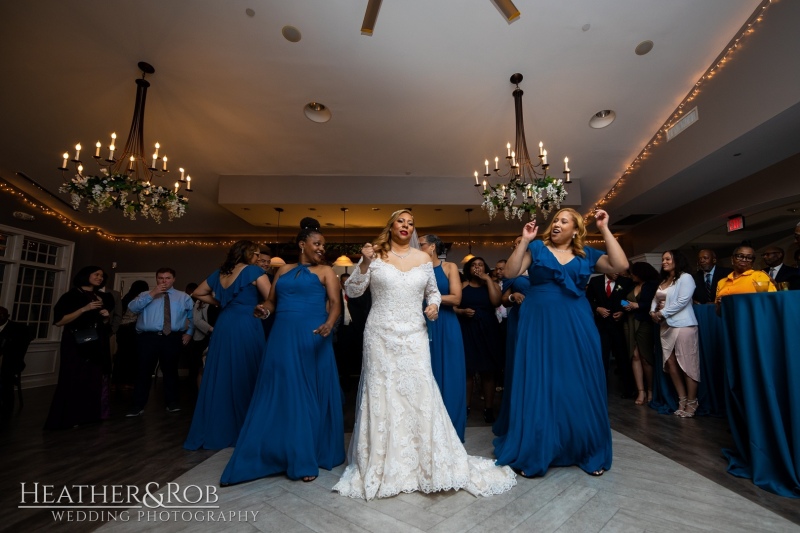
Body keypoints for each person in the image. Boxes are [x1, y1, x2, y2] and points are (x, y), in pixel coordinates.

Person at [333, 209, 516, 500]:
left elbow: (432, 292)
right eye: (401, 221)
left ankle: (423, 460)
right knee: (383, 392)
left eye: (411, 223)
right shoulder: (376, 255)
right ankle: (382, 461)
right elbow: (354, 291)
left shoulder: (423, 260)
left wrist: (432, 306)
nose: (406, 226)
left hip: (415, 334)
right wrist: (364, 264)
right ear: (391, 226)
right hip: (380, 333)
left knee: (418, 390)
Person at [493, 208, 628, 478]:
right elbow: (511, 270)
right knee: (540, 382)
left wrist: (604, 228)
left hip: (576, 322)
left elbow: (621, 266)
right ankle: (537, 449)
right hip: (539, 322)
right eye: (555, 220)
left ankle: (585, 449)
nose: (556, 224)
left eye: (563, 221)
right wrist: (524, 239)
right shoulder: (537, 249)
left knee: (578, 382)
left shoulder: (586, 254)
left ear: (575, 230)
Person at [220, 219, 343, 484]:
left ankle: (306, 453)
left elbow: (335, 304)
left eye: (323, 244)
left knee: (308, 392)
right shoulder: (282, 270)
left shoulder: (327, 272)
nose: (322, 248)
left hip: (312, 334)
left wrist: (329, 324)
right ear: (302, 244)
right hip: (282, 336)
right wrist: (263, 310)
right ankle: (277, 452)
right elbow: (272, 302)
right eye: (317, 243)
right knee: (282, 390)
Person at [185, 241, 270, 450]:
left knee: (222, 373)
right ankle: (247, 427)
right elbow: (272, 297)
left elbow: (197, 292)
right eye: (256, 254)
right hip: (247, 322)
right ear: (246, 254)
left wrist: (221, 303)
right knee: (249, 370)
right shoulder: (254, 271)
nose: (259, 258)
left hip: (225, 323)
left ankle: (218, 426)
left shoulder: (221, 272)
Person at [45, 266, 114, 429]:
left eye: (102, 276)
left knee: (94, 377)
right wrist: (85, 309)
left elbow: (98, 322)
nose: (100, 278)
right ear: (85, 276)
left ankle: (90, 415)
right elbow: (59, 320)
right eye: (96, 274)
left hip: (96, 342)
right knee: (74, 377)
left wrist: (105, 317)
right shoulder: (71, 296)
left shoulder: (101, 296)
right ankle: (70, 416)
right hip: (76, 343)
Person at [126, 268, 194, 416]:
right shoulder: (145, 295)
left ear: (174, 279)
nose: (164, 281)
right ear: (156, 279)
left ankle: (172, 403)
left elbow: (192, 316)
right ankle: (137, 406)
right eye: (161, 278)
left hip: (172, 337)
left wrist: (189, 333)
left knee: (170, 371)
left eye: (167, 278)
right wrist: (152, 294)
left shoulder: (183, 297)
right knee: (143, 371)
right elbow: (132, 308)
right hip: (148, 338)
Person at [420, 233, 467, 442]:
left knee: (450, 374)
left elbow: (457, 297)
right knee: (426, 375)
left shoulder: (449, 268)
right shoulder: (416, 269)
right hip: (421, 325)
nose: (415, 247)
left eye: (420, 245)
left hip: (446, 325)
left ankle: (452, 432)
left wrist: (431, 298)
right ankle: (427, 433)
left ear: (432, 247)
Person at [650, 251, 701, 418]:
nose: (663, 262)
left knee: (687, 364)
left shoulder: (685, 278)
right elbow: (655, 299)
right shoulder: (664, 280)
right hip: (664, 326)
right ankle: (682, 399)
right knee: (671, 363)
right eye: (663, 259)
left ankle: (692, 401)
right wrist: (652, 312)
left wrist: (662, 313)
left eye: (667, 259)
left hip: (683, 324)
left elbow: (682, 301)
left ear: (677, 260)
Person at [455, 256, 502, 423]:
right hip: (467, 329)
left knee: (488, 371)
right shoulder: (462, 286)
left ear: (485, 268)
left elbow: (496, 301)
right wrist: (461, 312)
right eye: (474, 265)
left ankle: (488, 409)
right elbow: (454, 305)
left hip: (488, 329)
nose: (477, 268)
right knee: (468, 370)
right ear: (468, 269)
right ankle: (466, 407)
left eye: (481, 265)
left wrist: (488, 279)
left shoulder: (493, 284)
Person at [621, 262, 660, 406]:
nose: (632, 275)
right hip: (630, 322)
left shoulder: (652, 285)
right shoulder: (631, 286)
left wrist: (638, 305)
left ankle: (651, 390)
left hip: (645, 322)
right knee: (634, 355)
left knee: (646, 356)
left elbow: (654, 303)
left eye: (634, 273)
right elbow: (621, 300)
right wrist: (625, 305)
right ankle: (640, 391)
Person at [586, 271, 633, 387]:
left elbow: (627, 299)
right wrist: (597, 309)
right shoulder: (595, 281)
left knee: (622, 356)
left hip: (619, 326)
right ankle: (601, 387)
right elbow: (588, 300)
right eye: (614, 269)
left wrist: (622, 311)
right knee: (602, 356)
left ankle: (627, 388)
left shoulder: (625, 282)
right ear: (606, 269)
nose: (617, 272)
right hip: (601, 326)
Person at [114, 280, 149, 388]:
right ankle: (129, 381)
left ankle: (116, 381)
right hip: (132, 329)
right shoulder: (139, 300)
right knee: (133, 356)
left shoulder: (125, 298)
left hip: (122, 329)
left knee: (121, 354)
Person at [0, 306, 32, 417]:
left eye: (2, 316)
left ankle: (6, 409)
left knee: (6, 376)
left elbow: (19, 349)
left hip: (10, 361)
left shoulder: (18, 329)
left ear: (7, 316)